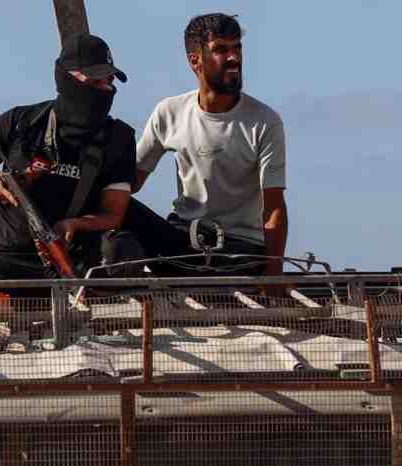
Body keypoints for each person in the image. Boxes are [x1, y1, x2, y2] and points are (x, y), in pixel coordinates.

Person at [0, 33, 138, 283]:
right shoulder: (21, 122)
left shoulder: (119, 139)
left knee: (124, 249)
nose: (106, 88)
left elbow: (113, 213)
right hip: (7, 258)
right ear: (67, 78)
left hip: (71, 261)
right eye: (95, 80)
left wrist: (75, 224)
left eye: (109, 80)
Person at [107, 13, 287, 275]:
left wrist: (274, 273)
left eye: (237, 48)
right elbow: (129, 183)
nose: (233, 58)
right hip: (183, 239)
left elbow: (274, 206)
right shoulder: (169, 111)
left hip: (239, 250)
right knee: (119, 208)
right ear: (195, 61)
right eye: (220, 50)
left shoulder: (264, 121)